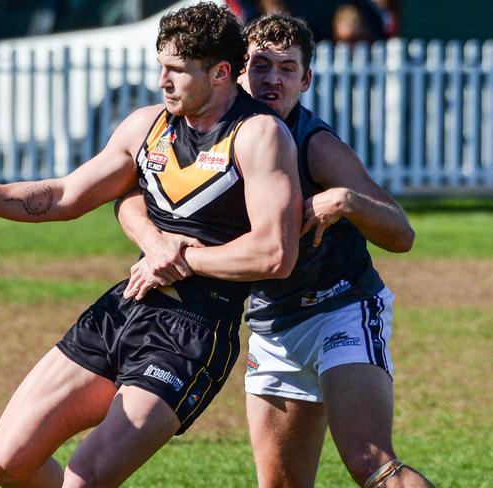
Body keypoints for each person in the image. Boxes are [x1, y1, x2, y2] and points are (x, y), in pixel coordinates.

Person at [0, 3, 302, 487]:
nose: (163, 81)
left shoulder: (259, 136)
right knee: (9, 458)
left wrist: (181, 258)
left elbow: (275, 254)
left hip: (194, 332)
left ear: (220, 73)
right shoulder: (148, 127)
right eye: (160, 67)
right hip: (125, 307)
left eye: (176, 71)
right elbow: (64, 195)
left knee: (84, 478)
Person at [116, 13, 435, 488]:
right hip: (271, 322)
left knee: (372, 465)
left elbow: (402, 234)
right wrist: (154, 242)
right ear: (237, 71)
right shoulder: (212, 130)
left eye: (287, 69)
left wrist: (346, 201)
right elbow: (129, 190)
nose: (271, 79)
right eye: (261, 66)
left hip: (340, 309)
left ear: (306, 79)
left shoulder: (316, 144)